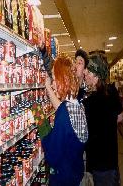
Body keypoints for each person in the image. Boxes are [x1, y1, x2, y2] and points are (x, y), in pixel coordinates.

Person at [42, 54, 88, 186]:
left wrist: (41, 121)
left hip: (63, 178)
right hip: (75, 173)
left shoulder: (64, 112)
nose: (53, 83)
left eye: (55, 78)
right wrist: (49, 88)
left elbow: (53, 155)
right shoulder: (79, 105)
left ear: (63, 79)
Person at [83, 52, 123, 186]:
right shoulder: (112, 91)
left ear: (96, 75)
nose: (85, 74)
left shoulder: (90, 102)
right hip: (111, 160)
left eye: (88, 72)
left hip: (100, 164)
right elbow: (120, 117)